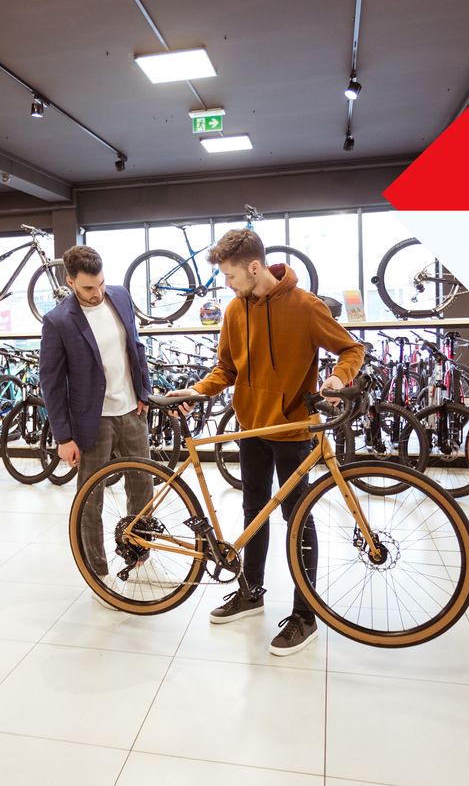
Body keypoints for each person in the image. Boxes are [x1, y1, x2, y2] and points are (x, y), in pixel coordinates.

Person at [167, 228, 363, 656]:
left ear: (254, 267)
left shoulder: (306, 306)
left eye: (232, 276)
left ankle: (305, 615)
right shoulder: (236, 310)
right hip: (250, 427)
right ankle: (250, 591)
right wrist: (199, 391)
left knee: (299, 519)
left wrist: (334, 378)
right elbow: (226, 369)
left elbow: (352, 350)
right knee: (253, 510)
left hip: (291, 430)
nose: (228, 285)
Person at [40, 245, 153, 597]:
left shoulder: (119, 297)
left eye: (101, 284)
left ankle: (138, 550)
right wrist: (63, 437)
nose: (97, 293)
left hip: (131, 411)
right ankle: (98, 571)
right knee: (91, 498)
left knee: (143, 486)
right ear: (71, 282)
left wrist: (143, 393)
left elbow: (135, 347)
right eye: (88, 288)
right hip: (93, 421)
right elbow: (52, 383)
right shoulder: (58, 321)